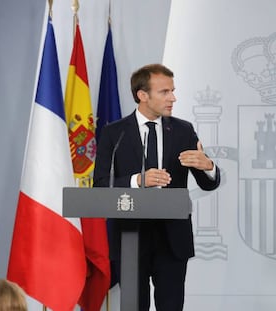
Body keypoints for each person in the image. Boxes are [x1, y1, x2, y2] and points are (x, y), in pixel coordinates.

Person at [93, 63, 220, 311]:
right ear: (143, 95)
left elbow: (207, 183)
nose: (173, 97)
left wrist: (209, 166)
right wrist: (137, 181)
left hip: (172, 240)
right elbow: (100, 187)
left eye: (172, 90)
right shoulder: (113, 134)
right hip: (130, 238)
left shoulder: (184, 130)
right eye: (165, 92)